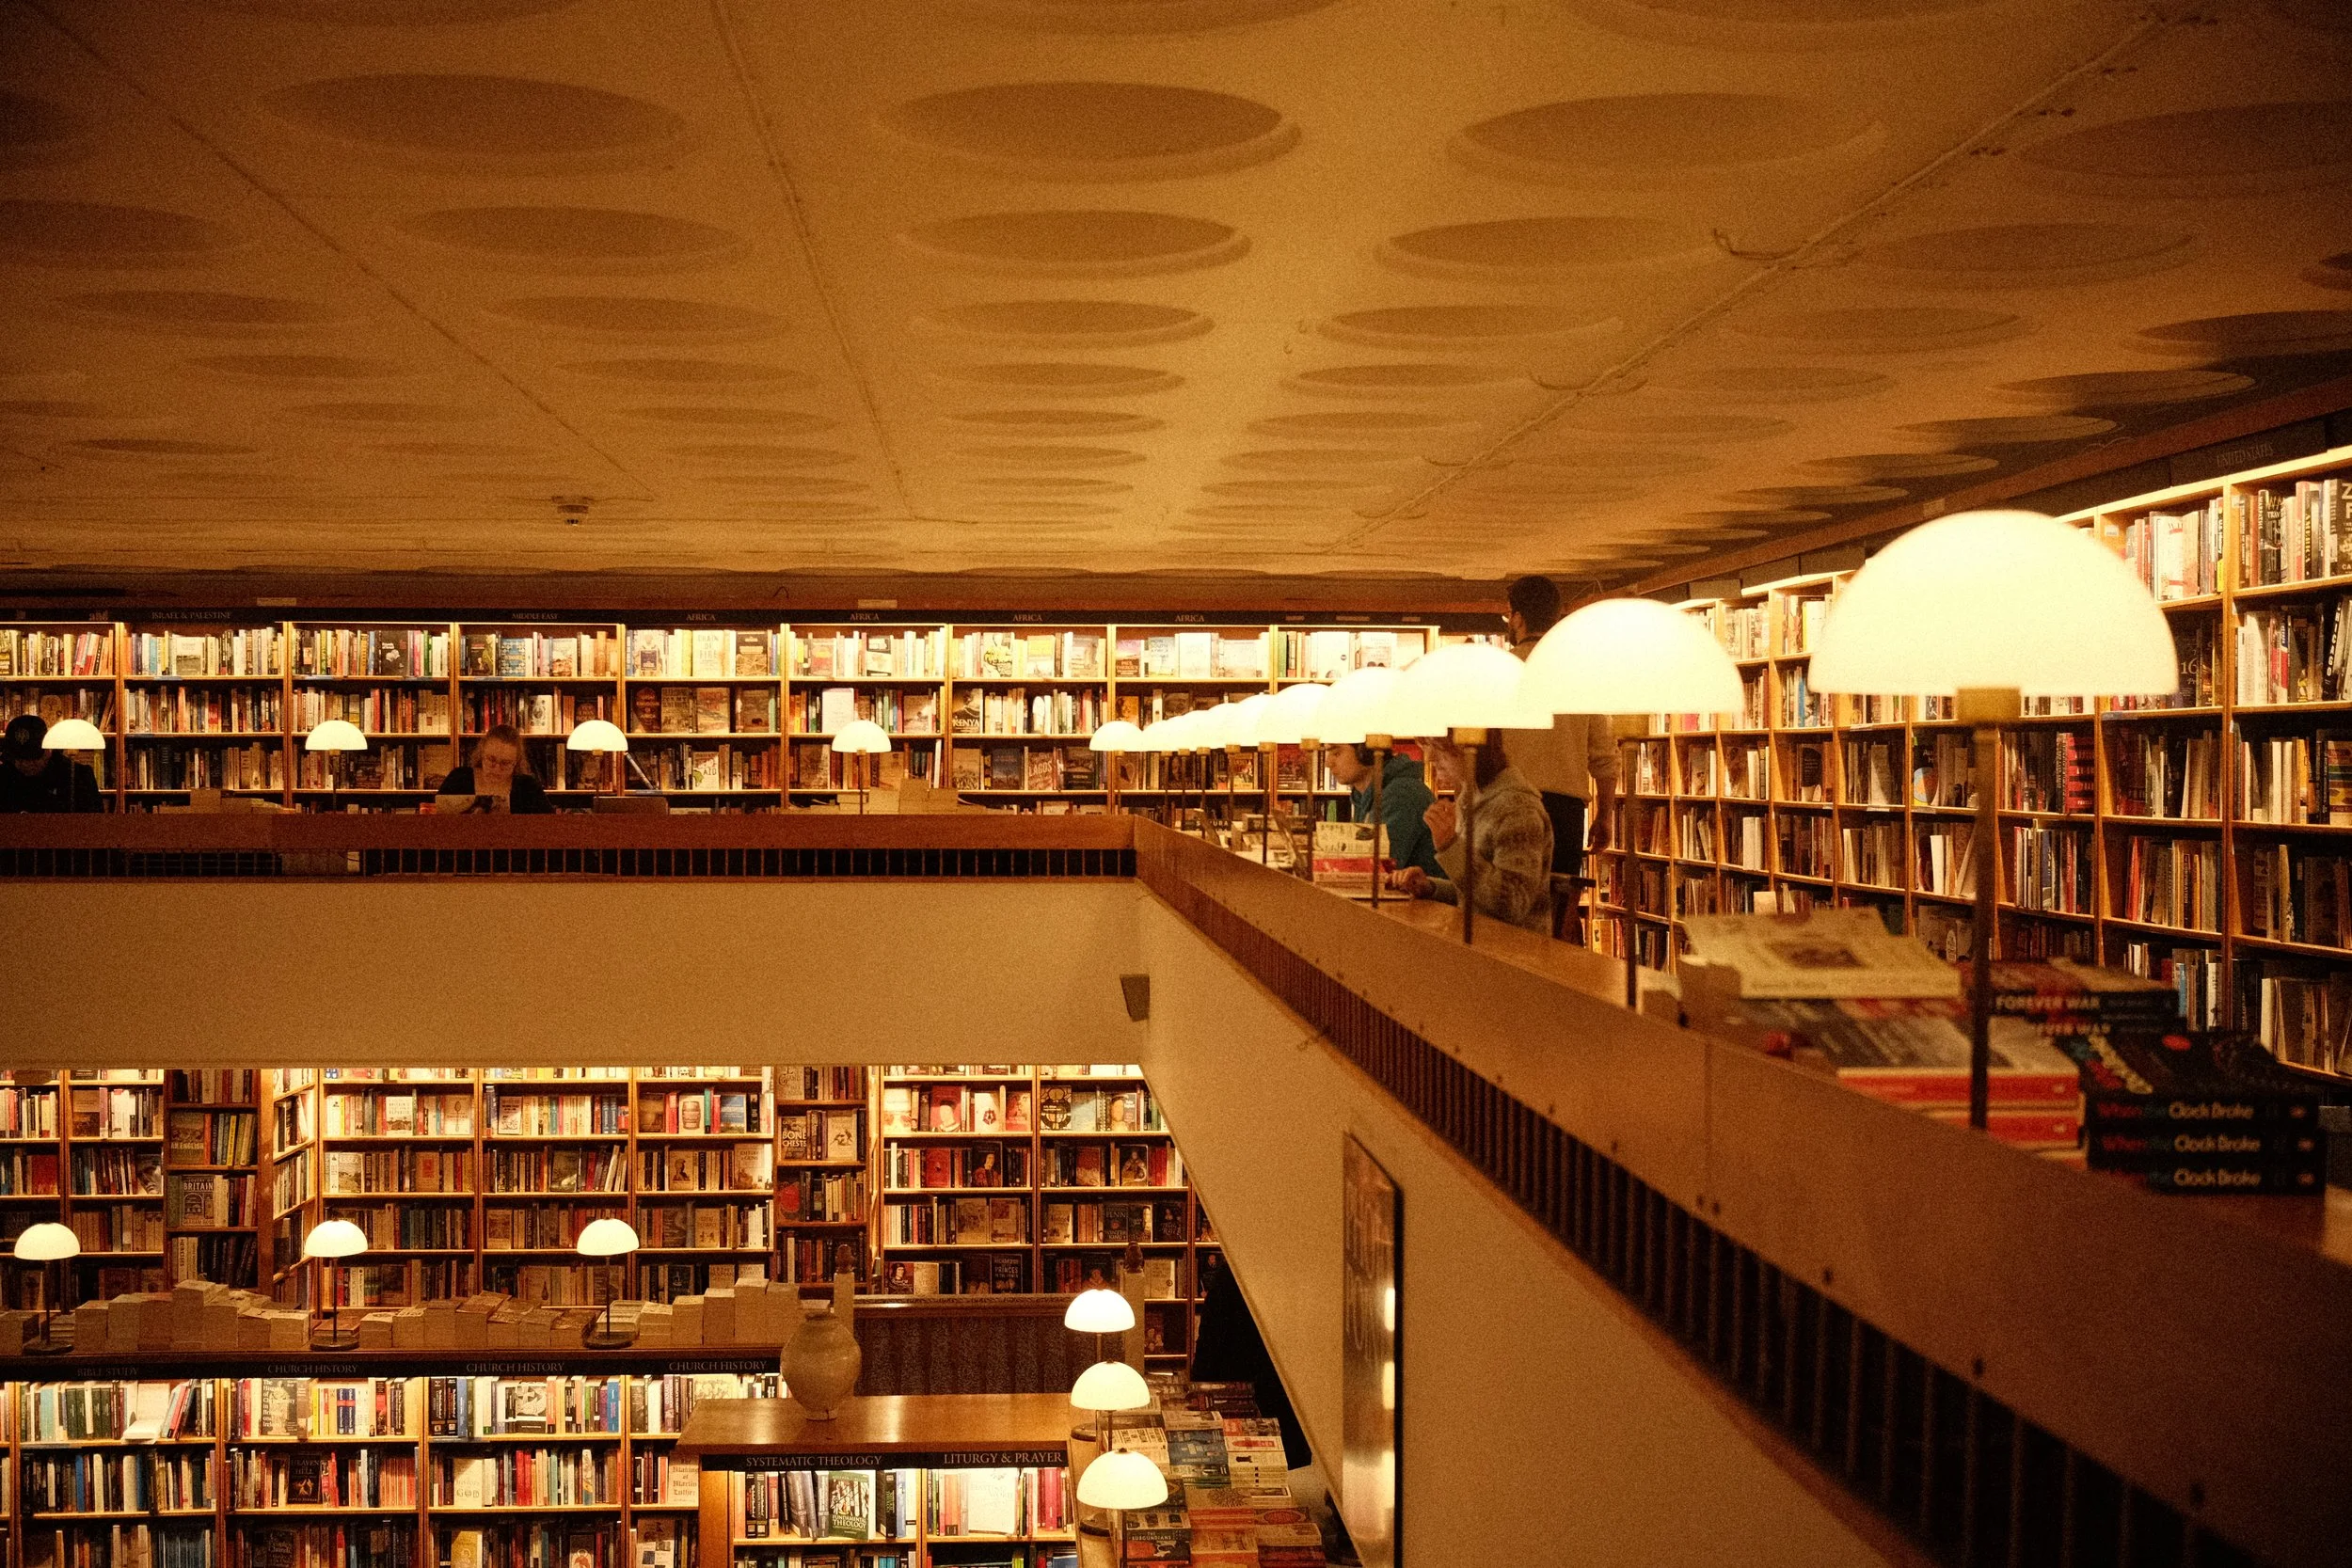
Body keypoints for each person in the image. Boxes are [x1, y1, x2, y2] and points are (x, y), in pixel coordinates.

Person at [1502, 575, 1618, 875]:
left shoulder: (1499, 673)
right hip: (1566, 812)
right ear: (1557, 617)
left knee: (1511, 908)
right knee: (1562, 905)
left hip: (1509, 805)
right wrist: (1605, 815)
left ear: (1516, 618)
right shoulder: (1581, 674)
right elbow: (1604, 757)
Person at [1394, 731, 1554, 931]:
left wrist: (1451, 848)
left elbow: (1512, 905)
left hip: (1512, 953)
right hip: (1481, 943)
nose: (1431, 759)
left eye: (1441, 750)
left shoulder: (1518, 810)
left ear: (1473, 748)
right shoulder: (1472, 800)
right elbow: (1476, 896)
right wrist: (1430, 887)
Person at [1322, 741, 1442, 880]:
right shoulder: (1367, 796)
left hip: (1422, 901)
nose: (1328, 763)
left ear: (1366, 752)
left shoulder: (1402, 794)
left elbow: (1376, 869)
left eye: (1336, 753)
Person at [435, 723, 554, 814]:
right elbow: (433, 819)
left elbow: (549, 826)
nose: (496, 768)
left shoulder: (527, 787)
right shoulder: (459, 778)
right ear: (481, 754)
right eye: (491, 759)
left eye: (505, 763)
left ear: (516, 763)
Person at [0, 714, 104, 813]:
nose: (26, 764)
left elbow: (95, 821)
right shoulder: (3, 776)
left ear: (48, 749)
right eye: (19, 758)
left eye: (34, 757)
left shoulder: (77, 776)